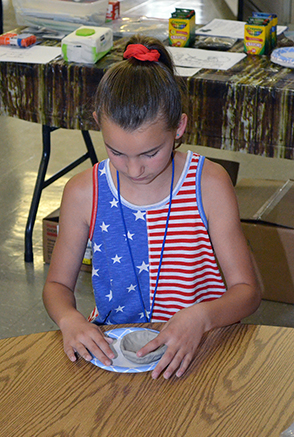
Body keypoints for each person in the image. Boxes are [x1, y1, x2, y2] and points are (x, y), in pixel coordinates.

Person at [43, 34, 261, 380]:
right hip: (116, 349)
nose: (133, 170)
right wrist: (68, 318)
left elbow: (248, 292)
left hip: (201, 345)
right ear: (99, 122)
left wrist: (200, 316)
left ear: (179, 127)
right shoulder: (84, 192)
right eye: (116, 152)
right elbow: (56, 285)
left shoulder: (209, 184)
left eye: (149, 153)